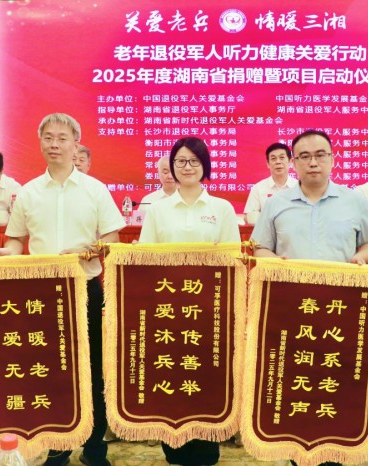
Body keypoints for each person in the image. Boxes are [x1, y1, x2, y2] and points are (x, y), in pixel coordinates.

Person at [0, 113, 124, 466]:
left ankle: (94, 447)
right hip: (41, 293)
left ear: (75, 144)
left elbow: (112, 238)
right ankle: (58, 446)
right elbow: (15, 239)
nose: (54, 144)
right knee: (49, 370)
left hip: (84, 288)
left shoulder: (95, 189)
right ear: (40, 142)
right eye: (48, 137)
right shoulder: (29, 192)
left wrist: (89, 251)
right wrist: (10, 252)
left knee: (92, 369)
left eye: (62, 138)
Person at [251, 129, 368, 466]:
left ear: (332, 159)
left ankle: (335, 450)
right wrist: (273, 261)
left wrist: (361, 258)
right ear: (294, 162)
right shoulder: (276, 203)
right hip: (291, 309)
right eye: (305, 156)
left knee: (335, 377)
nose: (313, 162)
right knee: (296, 379)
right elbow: (260, 247)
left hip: (341, 309)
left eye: (320, 155)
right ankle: (299, 451)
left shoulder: (354, 200)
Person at [139, 137, 240, 466]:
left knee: (205, 376)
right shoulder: (158, 209)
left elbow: (231, 259)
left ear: (204, 165)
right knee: (171, 373)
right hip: (168, 310)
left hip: (209, 310)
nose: (187, 167)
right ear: (171, 167)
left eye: (194, 161)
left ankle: (207, 447)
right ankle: (174, 448)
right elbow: (146, 259)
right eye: (180, 161)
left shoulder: (221, 208)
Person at [243, 142, 298, 223]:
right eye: (273, 158)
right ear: (268, 164)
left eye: (282, 157)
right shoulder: (258, 188)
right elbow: (249, 216)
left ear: (290, 161)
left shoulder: (299, 187)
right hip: (267, 230)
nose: (278, 162)